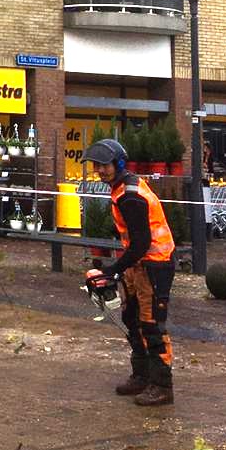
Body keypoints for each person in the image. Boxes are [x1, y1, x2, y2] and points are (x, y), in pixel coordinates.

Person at [85, 137, 176, 407]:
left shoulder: (131, 196)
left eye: (105, 165)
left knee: (152, 325)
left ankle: (162, 386)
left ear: (119, 163)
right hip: (139, 264)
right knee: (132, 318)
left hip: (155, 263)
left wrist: (113, 270)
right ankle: (142, 376)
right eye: (96, 166)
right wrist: (118, 269)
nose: (100, 171)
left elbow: (141, 243)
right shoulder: (121, 188)